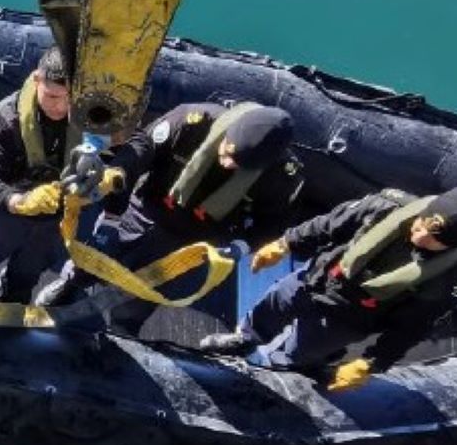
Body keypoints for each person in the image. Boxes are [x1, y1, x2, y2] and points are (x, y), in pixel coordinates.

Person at [198, 186, 457, 392]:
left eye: (433, 236)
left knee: (301, 351)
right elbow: (330, 224)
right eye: (422, 222)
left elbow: (409, 329)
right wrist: (285, 243)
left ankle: (286, 370)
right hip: (315, 279)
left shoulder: (448, 282)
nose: (419, 232)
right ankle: (246, 339)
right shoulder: (387, 206)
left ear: (454, 245)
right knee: (274, 304)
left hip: (348, 316)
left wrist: (370, 363)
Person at [44, 99, 303, 333]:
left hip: (194, 241)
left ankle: (123, 329)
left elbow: (272, 224)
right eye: (227, 152)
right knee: (95, 256)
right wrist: (118, 172)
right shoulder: (191, 120)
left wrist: (239, 248)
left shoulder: (282, 176)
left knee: (142, 296)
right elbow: (143, 145)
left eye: (239, 166)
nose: (226, 164)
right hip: (145, 208)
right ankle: (69, 286)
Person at [0, 47, 120, 304]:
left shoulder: (91, 115)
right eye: (52, 96)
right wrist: (20, 201)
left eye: (69, 97)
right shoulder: (4, 118)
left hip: (53, 221)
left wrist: (113, 173)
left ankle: (7, 314)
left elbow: (132, 141)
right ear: (37, 80)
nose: (60, 107)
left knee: (23, 281)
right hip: (3, 215)